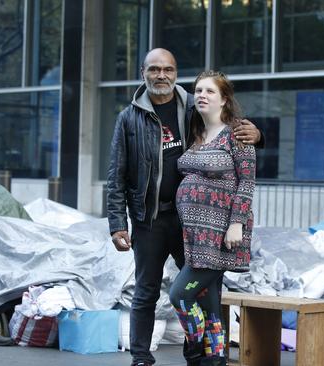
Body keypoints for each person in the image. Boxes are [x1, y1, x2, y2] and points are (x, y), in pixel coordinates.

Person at [106, 49, 262, 366]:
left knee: (202, 293)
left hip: (193, 225)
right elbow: (116, 174)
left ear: (176, 73)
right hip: (149, 217)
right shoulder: (128, 118)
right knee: (146, 289)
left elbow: (234, 134)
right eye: (154, 69)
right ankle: (140, 356)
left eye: (168, 69)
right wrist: (117, 222)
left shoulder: (193, 107)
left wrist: (259, 134)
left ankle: (202, 353)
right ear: (143, 72)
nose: (161, 75)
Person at [169, 70, 255, 366]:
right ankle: (213, 360)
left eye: (209, 91)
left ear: (224, 99)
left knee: (180, 295)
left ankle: (194, 348)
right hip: (194, 237)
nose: (202, 95)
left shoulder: (238, 134)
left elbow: (246, 183)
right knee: (210, 304)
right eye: (199, 90)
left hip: (220, 236)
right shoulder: (196, 134)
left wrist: (236, 225)